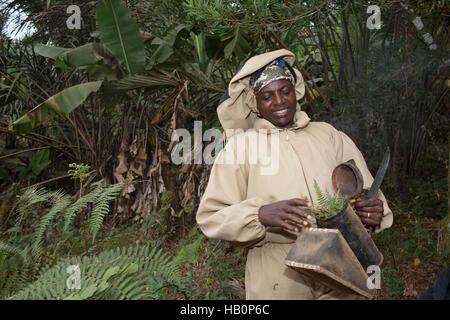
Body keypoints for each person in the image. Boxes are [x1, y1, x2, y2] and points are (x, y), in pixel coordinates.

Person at [196, 49, 393, 300]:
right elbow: (211, 217)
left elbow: (364, 189)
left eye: (285, 91)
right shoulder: (241, 147)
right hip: (278, 272)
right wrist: (259, 214)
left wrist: (372, 211)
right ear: (254, 103)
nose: (278, 101)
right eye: (267, 96)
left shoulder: (328, 135)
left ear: (295, 91)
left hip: (343, 260)